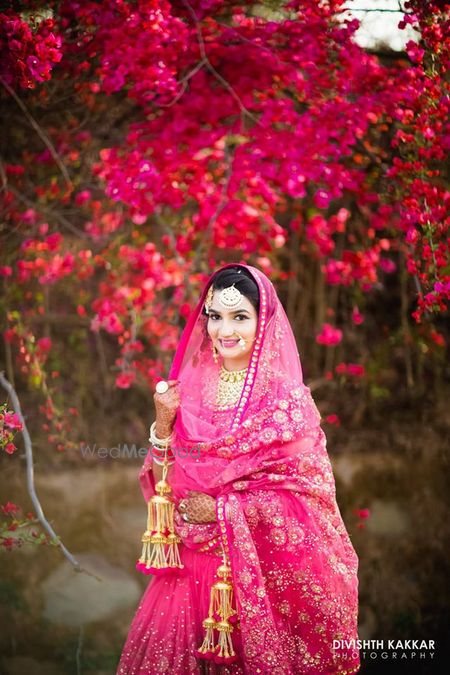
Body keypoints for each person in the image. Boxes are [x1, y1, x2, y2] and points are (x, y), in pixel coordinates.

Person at [117, 263, 360, 674]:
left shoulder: (285, 401)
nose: (224, 330)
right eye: (215, 316)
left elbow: (307, 499)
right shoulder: (189, 388)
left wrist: (224, 510)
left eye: (240, 317)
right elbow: (164, 483)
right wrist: (162, 425)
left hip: (252, 580)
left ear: (262, 323)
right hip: (186, 577)